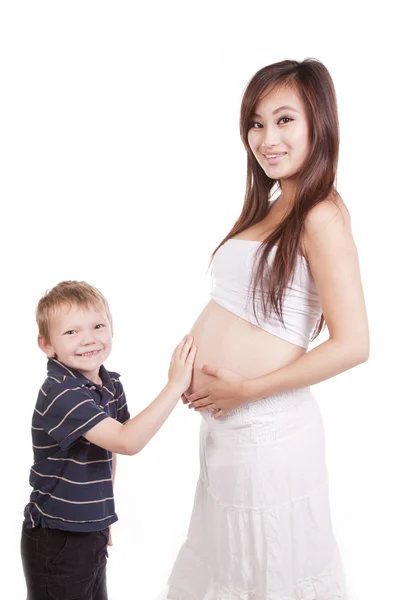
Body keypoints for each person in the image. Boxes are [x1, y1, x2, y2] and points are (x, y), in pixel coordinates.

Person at [166, 59, 369, 600]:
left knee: (269, 572)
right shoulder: (277, 203)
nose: (266, 138)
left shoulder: (320, 213)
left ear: (317, 124)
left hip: (267, 434)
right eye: (256, 123)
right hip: (229, 433)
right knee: (231, 570)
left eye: (284, 120)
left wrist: (245, 389)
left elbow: (354, 345)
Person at [21, 280, 196, 600]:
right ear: (47, 345)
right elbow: (127, 441)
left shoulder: (109, 383)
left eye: (98, 326)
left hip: (90, 528)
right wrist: (174, 386)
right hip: (56, 535)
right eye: (71, 332)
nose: (88, 339)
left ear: (112, 329)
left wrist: (100, 517)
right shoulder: (61, 392)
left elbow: (113, 448)